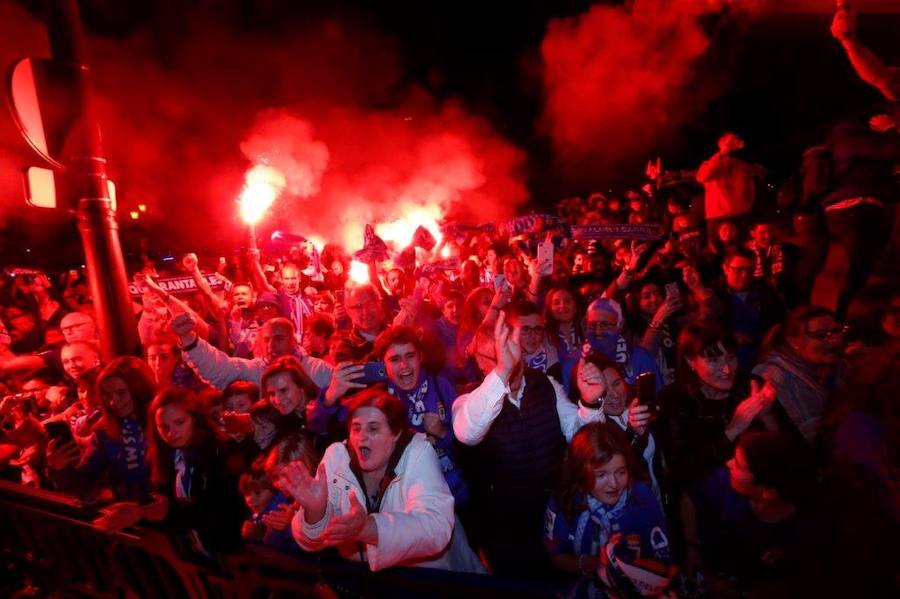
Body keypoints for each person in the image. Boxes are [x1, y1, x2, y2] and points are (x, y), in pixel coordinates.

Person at [451, 313, 604, 575]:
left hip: (553, 519)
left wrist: (589, 403)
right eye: (497, 356)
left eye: (512, 350)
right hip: (505, 531)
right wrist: (502, 371)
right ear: (479, 362)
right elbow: (468, 432)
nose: (509, 359)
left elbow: (582, 440)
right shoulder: (468, 400)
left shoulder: (545, 384)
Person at [285, 387, 481, 572]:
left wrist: (370, 528)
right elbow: (311, 542)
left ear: (395, 434)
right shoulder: (336, 458)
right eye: (356, 428)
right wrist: (315, 512)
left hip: (434, 579)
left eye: (373, 429)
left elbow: (435, 526)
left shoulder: (417, 452)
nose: (361, 438)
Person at [93, 387, 247, 556]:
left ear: (195, 419)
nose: (171, 433)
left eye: (180, 422)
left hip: (228, 553)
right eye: (163, 427)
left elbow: (216, 511)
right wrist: (140, 508)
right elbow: (162, 498)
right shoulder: (166, 455)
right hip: (189, 552)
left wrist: (151, 512)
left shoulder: (220, 453)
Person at [545, 422, 673, 597]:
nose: (613, 484)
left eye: (621, 472)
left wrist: (629, 572)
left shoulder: (641, 496)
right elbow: (556, 555)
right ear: (580, 471)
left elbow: (662, 561)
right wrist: (591, 564)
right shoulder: (563, 500)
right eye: (601, 475)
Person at [46, 356, 157, 504]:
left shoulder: (164, 422)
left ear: (139, 388)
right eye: (107, 395)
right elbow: (84, 482)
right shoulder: (105, 432)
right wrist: (59, 468)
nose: (113, 402)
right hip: (126, 517)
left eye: (121, 393)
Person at [752, 306, 847, 444]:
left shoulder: (840, 364)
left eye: (836, 331)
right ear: (794, 342)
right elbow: (807, 437)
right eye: (821, 335)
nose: (834, 340)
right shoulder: (776, 376)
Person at [170, 313, 331, 391]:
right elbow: (219, 368)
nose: (271, 345)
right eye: (267, 339)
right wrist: (188, 339)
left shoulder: (318, 370)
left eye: (279, 338)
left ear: (294, 340)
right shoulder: (253, 371)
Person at [696, 132, 766, 240]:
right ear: (720, 145)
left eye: (734, 141)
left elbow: (759, 177)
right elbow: (702, 177)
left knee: (744, 248)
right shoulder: (710, 164)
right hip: (718, 216)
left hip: (741, 215)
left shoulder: (743, 165)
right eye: (728, 142)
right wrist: (721, 154)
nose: (731, 144)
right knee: (718, 252)